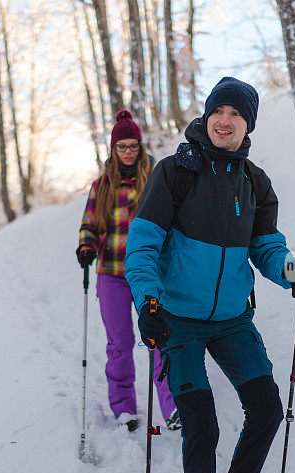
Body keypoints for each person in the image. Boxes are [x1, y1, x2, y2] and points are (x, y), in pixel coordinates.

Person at [124, 77, 295, 473]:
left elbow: (267, 247)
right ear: (207, 116)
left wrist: (293, 269)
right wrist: (148, 302)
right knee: (202, 427)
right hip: (177, 322)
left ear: (247, 124)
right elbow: (143, 246)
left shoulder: (255, 182)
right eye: (219, 111)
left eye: (235, 113)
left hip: (233, 321)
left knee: (268, 408)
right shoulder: (174, 172)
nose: (224, 120)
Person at [76, 110, 180, 433]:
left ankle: (173, 405)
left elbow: (169, 220)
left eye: (133, 145)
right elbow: (89, 225)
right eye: (121, 147)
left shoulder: (154, 180)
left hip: (147, 272)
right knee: (119, 343)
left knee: (158, 336)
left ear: (140, 145)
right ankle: (123, 410)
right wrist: (86, 247)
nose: (128, 152)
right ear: (113, 149)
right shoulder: (102, 186)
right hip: (111, 274)